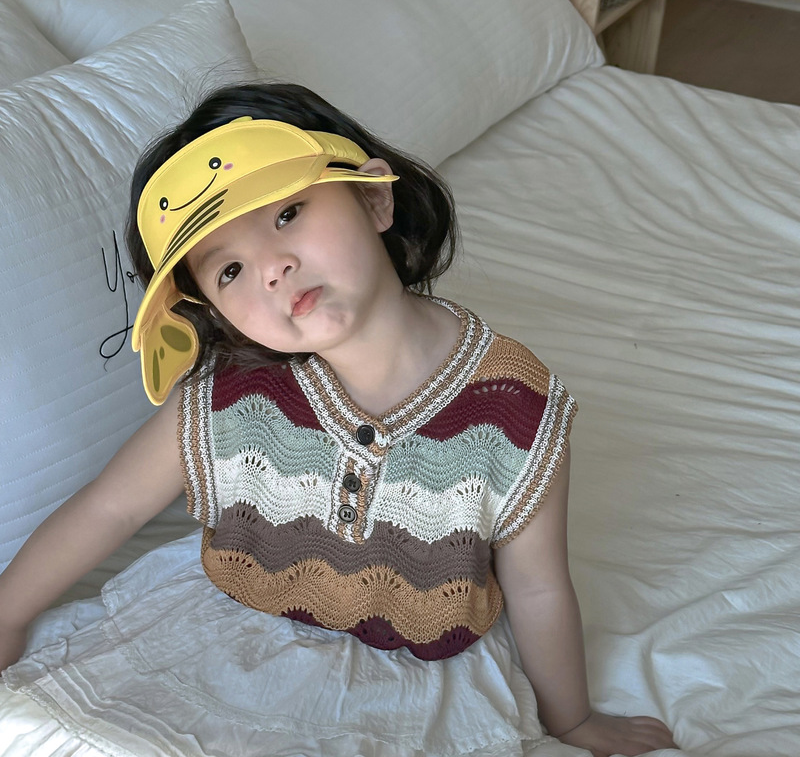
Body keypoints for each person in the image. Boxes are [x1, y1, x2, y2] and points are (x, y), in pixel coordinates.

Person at [0, 82, 676, 757]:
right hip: (237, 624)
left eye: (288, 213)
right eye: (229, 269)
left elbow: (537, 584)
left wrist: (572, 721)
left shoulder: (514, 408)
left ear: (374, 198)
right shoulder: (226, 394)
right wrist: (6, 616)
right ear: (213, 310)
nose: (273, 269)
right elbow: (111, 507)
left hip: (421, 671)